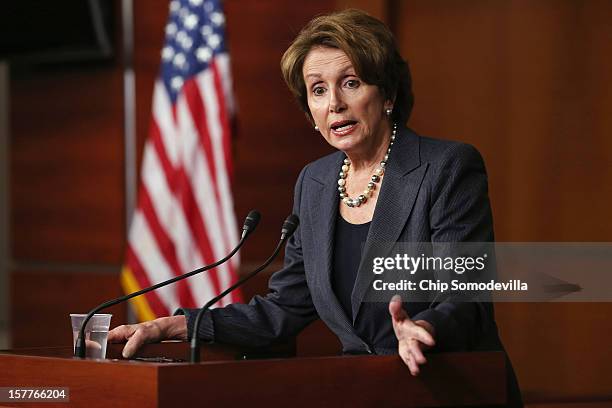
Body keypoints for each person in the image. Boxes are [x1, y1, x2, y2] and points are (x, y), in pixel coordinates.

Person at [109, 9, 522, 406]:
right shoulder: (316, 183)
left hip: (450, 390)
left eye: (351, 83)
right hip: (365, 392)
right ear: (310, 110)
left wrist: (424, 327)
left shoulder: (446, 168)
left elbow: (467, 296)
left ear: (389, 93)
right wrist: (177, 325)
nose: (334, 104)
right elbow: (285, 309)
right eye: (318, 90)